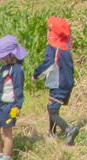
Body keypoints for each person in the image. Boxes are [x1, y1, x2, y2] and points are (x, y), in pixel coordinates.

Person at [35, 16, 82, 144]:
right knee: (53, 107)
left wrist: (36, 75)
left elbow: (48, 64)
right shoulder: (66, 50)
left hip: (58, 84)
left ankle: (68, 129)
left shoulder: (52, 49)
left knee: (53, 111)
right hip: (67, 83)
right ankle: (51, 133)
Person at [0, 34, 29, 160]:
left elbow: (18, 89)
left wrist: (17, 106)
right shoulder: (3, 68)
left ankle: (6, 158)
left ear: (11, 55)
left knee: (7, 132)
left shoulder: (17, 70)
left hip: (9, 105)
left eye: (1, 56)